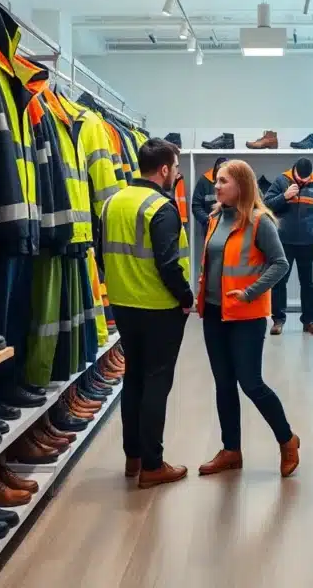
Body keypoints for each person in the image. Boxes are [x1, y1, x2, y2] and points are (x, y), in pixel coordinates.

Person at [196, 160, 300, 478]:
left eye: (223, 181)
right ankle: (231, 450)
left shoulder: (259, 221)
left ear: (241, 185)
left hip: (247, 315)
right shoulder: (215, 218)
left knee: (251, 383)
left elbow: (280, 263)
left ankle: (287, 440)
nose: (216, 186)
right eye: (217, 180)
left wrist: (250, 292)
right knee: (224, 384)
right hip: (214, 313)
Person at [101, 138, 193, 489]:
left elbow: (101, 253)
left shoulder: (112, 202)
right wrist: (186, 297)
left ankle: (134, 457)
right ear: (164, 169)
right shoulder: (161, 208)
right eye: (176, 168)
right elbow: (169, 265)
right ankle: (153, 466)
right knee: (156, 382)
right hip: (158, 307)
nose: (177, 174)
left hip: (123, 305)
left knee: (134, 379)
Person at [264, 157, 313, 336]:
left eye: (306, 179)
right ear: (294, 172)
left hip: (309, 243)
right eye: (300, 179)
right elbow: (265, 205)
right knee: (279, 281)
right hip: (283, 242)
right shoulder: (281, 180)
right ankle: (278, 320)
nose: (303, 182)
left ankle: (309, 321)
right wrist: (284, 197)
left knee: (308, 283)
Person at [191, 156, 228, 235]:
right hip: (210, 230)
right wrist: (208, 220)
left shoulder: (234, 182)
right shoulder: (204, 181)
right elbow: (196, 206)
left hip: (230, 228)